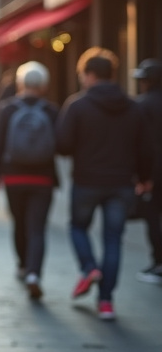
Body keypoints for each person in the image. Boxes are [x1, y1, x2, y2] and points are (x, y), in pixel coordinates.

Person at [56, 47, 153, 320]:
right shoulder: (133, 107)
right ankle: (106, 301)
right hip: (122, 183)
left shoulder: (77, 105)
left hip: (87, 181)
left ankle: (89, 267)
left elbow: (62, 144)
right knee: (113, 240)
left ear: (89, 75)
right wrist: (144, 179)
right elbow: (146, 149)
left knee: (78, 227)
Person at [0, 61, 59, 300]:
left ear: (20, 83)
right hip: (43, 178)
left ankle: (22, 263)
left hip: (13, 176)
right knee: (37, 228)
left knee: (19, 222)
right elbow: (60, 143)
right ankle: (34, 274)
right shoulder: (50, 110)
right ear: (44, 85)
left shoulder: (7, 109)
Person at [132, 58, 162, 283]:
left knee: (153, 217)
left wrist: (143, 177)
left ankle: (159, 262)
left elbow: (140, 144)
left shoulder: (141, 105)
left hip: (154, 171)